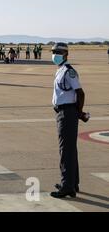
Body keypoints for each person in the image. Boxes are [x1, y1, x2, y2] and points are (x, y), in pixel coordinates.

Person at [50, 43, 89, 199]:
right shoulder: (60, 70)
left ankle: (67, 186)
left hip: (67, 113)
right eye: (53, 52)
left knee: (66, 150)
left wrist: (79, 112)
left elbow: (80, 93)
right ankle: (73, 184)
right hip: (63, 112)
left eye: (58, 52)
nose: (55, 55)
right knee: (69, 149)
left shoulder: (69, 72)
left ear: (66, 54)